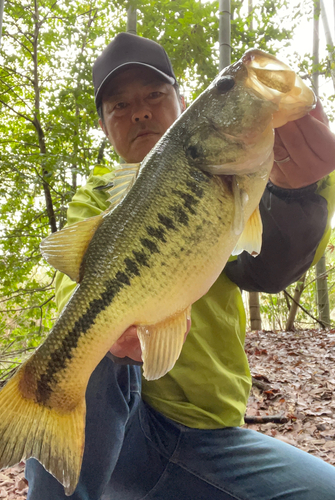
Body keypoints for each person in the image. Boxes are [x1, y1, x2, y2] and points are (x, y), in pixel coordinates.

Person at [26, 33, 335, 499]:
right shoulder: (96, 199)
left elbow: (266, 270)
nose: (141, 112)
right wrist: (116, 336)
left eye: (154, 95)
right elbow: (74, 289)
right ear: (104, 124)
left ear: (184, 101)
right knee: (89, 341)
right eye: (120, 105)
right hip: (125, 438)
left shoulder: (246, 179)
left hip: (213, 442)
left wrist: (296, 193)